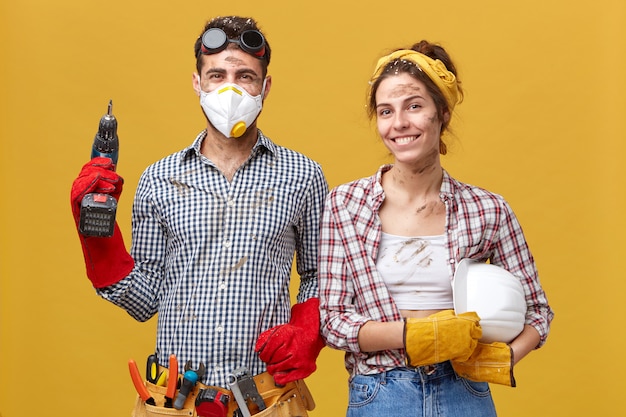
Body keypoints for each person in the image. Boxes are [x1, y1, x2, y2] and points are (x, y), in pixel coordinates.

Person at [70, 15, 328, 416]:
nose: (230, 88)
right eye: (217, 75)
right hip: (173, 401)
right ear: (197, 83)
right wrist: (99, 243)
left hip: (267, 400)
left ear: (266, 86)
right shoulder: (159, 178)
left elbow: (318, 274)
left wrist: (306, 328)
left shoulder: (303, 175)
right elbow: (146, 299)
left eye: (245, 76)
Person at [318, 40, 554, 417]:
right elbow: (332, 321)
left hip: (463, 390)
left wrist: (505, 356)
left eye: (414, 106)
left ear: (442, 113)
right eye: (385, 111)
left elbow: (538, 311)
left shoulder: (487, 209)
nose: (399, 124)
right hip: (380, 392)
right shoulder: (345, 204)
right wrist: (416, 334)